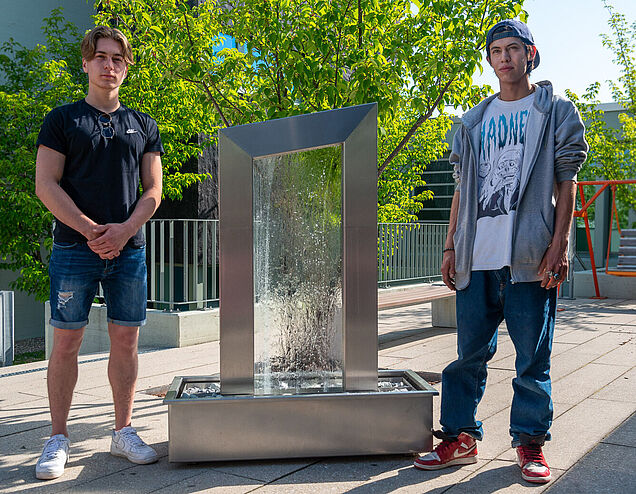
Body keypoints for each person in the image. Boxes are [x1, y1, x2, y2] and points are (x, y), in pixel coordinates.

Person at [414, 20, 588, 484]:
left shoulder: (554, 111)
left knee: (533, 356)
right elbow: (461, 189)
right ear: (489, 60)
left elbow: (567, 181)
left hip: (531, 256)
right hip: (477, 256)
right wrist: (451, 245)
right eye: (497, 50)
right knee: (467, 354)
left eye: (514, 48)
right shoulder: (473, 121)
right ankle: (461, 437)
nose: (505, 57)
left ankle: (530, 443)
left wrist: (560, 242)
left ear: (531, 55)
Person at [34, 26, 164, 480]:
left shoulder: (144, 125)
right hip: (75, 248)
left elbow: (154, 190)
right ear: (86, 63)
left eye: (118, 59)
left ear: (126, 68)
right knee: (66, 340)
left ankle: (123, 431)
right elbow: (45, 184)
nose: (110, 66)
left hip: (128, 252)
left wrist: (126, 229)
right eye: (101, 57)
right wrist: (91, 231)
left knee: (126, 339)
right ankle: (57, 437)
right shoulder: (63, 120)